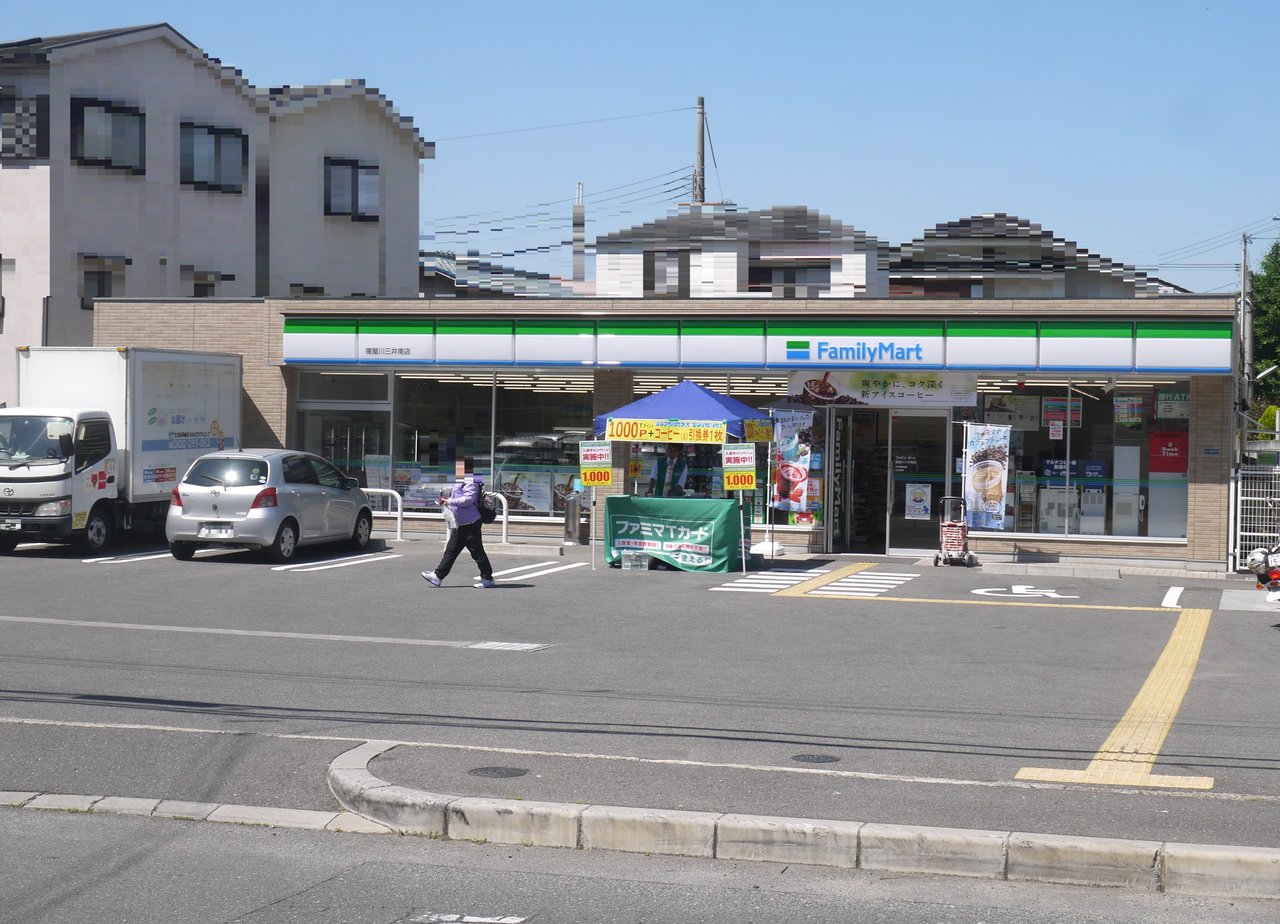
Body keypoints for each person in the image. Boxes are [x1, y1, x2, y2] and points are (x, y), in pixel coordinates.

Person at [422, 458, 496, 589]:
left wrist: (449, 501)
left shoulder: (471, 482)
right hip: (461, 523)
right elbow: (458, 498)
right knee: (451, 551)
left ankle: (487, 578)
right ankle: (438, 576)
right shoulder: (460, 482)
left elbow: (467, 500)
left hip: (471, 523)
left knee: (477, 552)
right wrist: (446, 500)